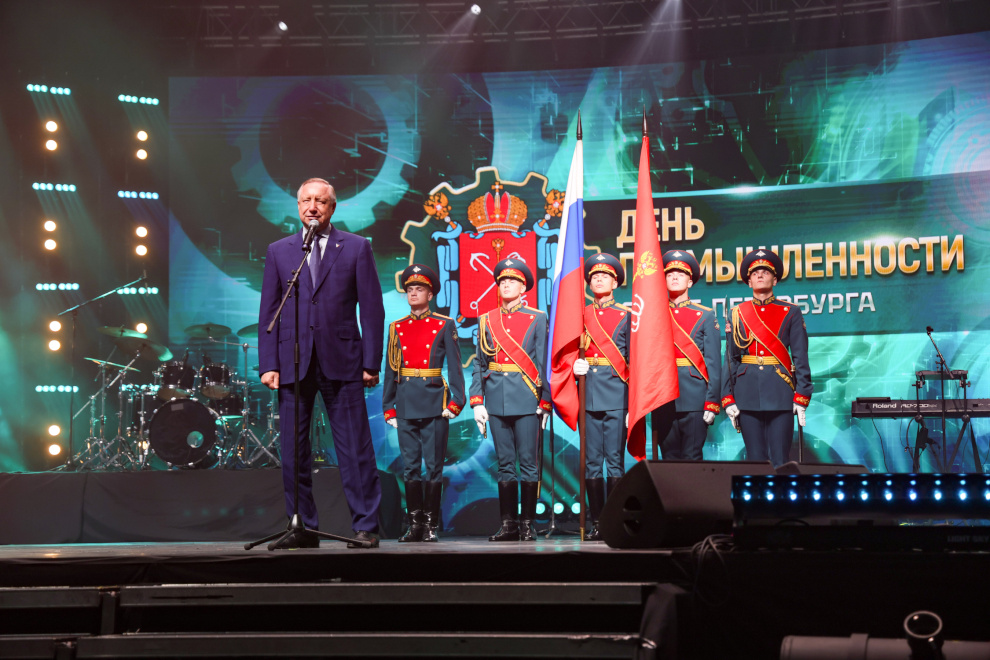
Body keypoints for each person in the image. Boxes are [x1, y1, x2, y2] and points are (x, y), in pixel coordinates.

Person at [258, 177, 385, 549]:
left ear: (332, 207)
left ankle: (365, 526)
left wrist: (371, 362)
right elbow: (269, 311)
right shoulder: (280, 251)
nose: (312, 207)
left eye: (321, 201)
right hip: (292, 362)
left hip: (343, 360)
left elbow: (372, 310)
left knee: (354, 448)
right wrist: (269, 363)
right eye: (306, 201)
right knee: (293, 451)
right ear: (298, 206)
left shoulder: (357, 247)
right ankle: (301, 526)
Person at [382, 264, 465, 543]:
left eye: (419, 289)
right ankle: (414, 524)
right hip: (405, 402)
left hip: (434, 402)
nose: (413, 293)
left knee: (433, 466)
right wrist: (388, 406)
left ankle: (430, 524)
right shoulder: (397, 327)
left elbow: (455, 368)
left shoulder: (444, 324)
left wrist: (456, 402)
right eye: (410, 289)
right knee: (410, 468)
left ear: (430, 294)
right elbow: (391, 370)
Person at [470, 259, 551, 542]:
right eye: (502, 281)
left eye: (512, 281)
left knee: (528, 463)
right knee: (504, 464)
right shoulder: (486, 319)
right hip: (495, 399)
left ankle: (527, 524)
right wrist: (477, 401)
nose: (506, 285)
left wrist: (546, 401)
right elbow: (479, 364)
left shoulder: (537, 317)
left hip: (527, 398)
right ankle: (508, 525)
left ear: (523, 288)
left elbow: (543, 362)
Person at [721, 249, 811, 467]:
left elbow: (800, 356)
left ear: (775, 280)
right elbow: (731, 359)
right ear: (749, 282)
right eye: (755, 273)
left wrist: (802, 395)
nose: (760, 275)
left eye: (765, 272)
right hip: (747, 393)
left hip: (780, 392)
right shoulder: (737, 313)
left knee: (780, 460)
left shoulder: (791, 311)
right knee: (755, 461)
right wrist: (727, 397)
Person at [571, 253, 630, 541]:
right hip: (588, 392)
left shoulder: (627, 315)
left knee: (615, 461)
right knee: (592, 461)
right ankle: (596, 523)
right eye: (594, 277)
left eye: (604, 276)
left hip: (617, 393)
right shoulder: (579, 315)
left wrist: (634, 404)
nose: (598, 280)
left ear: (615, 283)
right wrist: (573, 367)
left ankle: (614, 521)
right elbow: (567, 351)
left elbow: (635, 361)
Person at [650, 250, 722, 461]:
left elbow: (713, 363)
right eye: (670, 274)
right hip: (663, 397)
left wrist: (712, 402)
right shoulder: (654, 315)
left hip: (695, 398)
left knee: (692, 459)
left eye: (680, 275)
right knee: (668, 460)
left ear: (690, 282)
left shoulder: (705, 315)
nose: (674, 278)